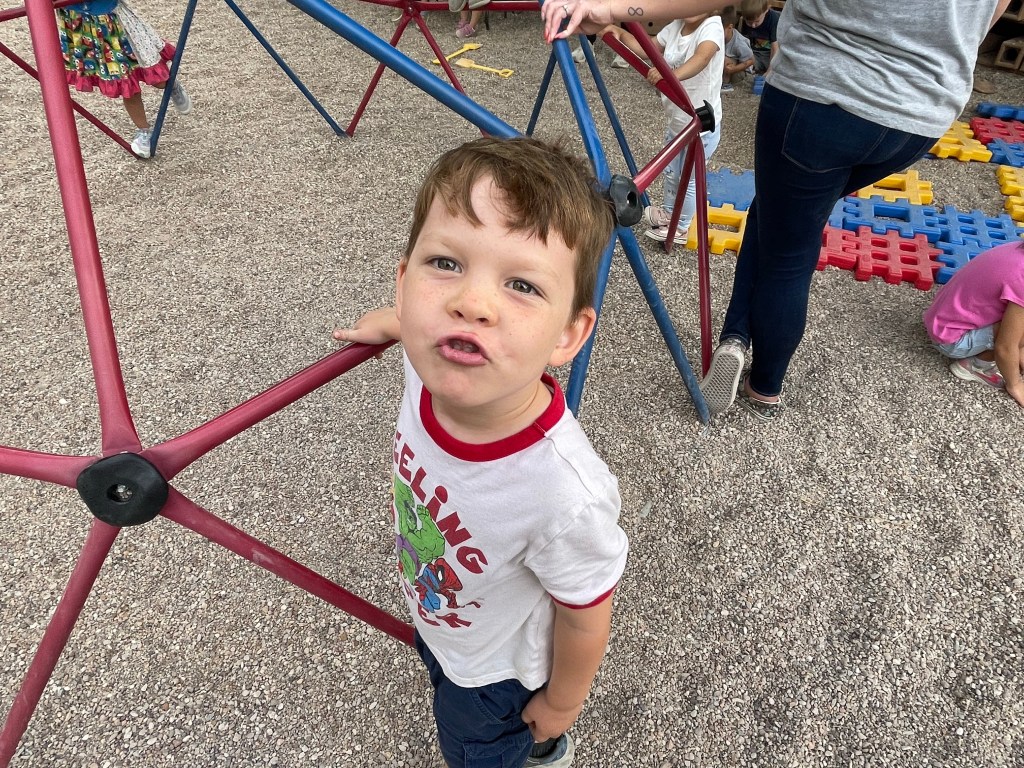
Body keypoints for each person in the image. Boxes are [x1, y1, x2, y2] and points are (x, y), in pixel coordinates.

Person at [544, 0, 1008, 421]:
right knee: (782, 218)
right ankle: (740, 345)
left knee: (790, 251)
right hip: (920, 117)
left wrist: (616, 7)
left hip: (826, 98)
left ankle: (762, 377)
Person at [332, 136, 629, 768]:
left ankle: (543, 748)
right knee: (440, 673)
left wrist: (562, 703)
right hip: (443, 615)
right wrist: (394, 322)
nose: (471, 303)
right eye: (445, 263)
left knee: (474, 749)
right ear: (404, 281)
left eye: (521, 284)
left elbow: (585, 614)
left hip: (499, 675)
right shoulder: (432, 365)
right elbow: (423, 322)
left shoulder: (562, 491)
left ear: (568, 334)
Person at [603, 11, 723, 244]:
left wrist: (671, 75)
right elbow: (647, 47)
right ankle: (669, 215)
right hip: (678, 122)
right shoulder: (676, 26)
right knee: (671, 174)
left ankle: (681, 227)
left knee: (688, 179)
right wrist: (620, 33)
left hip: (701, 125)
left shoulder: (712, 27)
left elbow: (702, 58)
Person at [56, 0, 192, 158]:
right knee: (127, 87)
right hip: (80, 24)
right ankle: (143, 131)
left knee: (159, 80)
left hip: (113, 23)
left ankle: (172, 86)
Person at [923, 241, 1024, 409]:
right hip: (952, 340)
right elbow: (1005, 347)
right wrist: (1016, 384)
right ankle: (977, 365)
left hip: (942, 319)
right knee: (1014, 335)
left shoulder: (1018, 248)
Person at [737, 0, 778, 74]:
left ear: (766, 11)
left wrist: (769, 71)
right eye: (749, 22)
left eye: (757, 21)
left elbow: (775, 48)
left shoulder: (773, 19)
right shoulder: (744, 20)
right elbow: (744, 43)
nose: (753, 26)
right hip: (755, 53)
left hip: (771, 54)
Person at [720, 5, 754, 92]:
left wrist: (734, 69)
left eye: (719, 31)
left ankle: (726, 85)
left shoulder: (739, 43)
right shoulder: (719, 38)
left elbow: (751, 60)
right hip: (726, 67)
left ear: (730, 27)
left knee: (726, 60)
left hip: (740, 71)